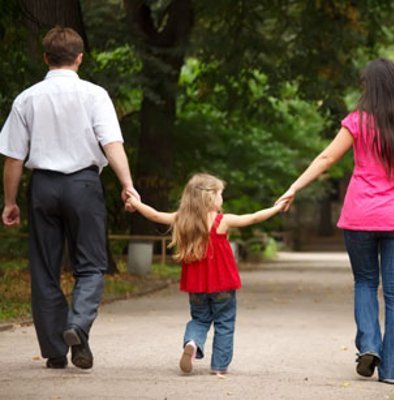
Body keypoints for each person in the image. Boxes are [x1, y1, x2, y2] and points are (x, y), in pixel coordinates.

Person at [277, 58, 394, 385]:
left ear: (369, 88)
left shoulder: (358, 122)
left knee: (364, 282)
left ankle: (370, 346)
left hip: (360, 216)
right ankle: (391, 373)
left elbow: (326, 158)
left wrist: (294, 187)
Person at [0, 26, 138, 370]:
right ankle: (77, 325)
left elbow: (14, 158)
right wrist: (127, 184)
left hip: (43, 187)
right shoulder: (95, 95)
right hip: (84, 186)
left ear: (46, 58)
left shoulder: (27, 98)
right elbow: (111, 144)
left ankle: (55, 351)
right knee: (91, 266)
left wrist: (10, 202)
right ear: (80, 57)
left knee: (45, 270)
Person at [126, 173, 285, 375]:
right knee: (224, 323)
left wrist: (136, 203)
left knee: (200, 319)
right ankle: (218, 366)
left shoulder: (183, 220)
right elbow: (253, 218)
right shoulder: (222, 221)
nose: (222, 199)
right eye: (220, 194)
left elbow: (155, 215)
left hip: (196, 286)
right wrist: (277, 208)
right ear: (210, 197)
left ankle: (192, 342)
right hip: (223, 285)